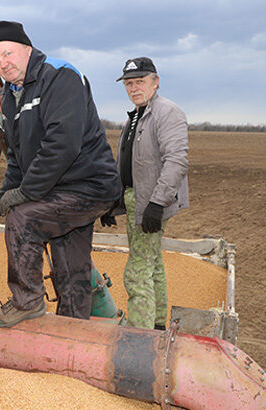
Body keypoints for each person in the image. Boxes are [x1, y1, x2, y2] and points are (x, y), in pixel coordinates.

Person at [0, 20, 121, 327]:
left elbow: (63, 144)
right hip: (56, 190)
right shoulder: (9, 96)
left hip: (89, 186)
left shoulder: (59, 76)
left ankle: (27, 301)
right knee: (71, 267)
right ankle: (72, 333)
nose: (3, 63)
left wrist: (24, 194)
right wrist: (6, 193)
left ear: (26, 48)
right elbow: (18, 157)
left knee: (24, 219)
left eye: (7, 53)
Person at [100, 57, 189, 330]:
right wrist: (114, 202)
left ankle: (141, 335)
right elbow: (127, 162)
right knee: (153, 262)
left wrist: (156, 203)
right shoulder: (136, 115)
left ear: (155, 82)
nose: (133, 87)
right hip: (135, 198)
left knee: (137, 271)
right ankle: (158, 323)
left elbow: (177, 160)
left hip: (151, 202)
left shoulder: (167, 112)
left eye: (140, 81)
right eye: (129, 83)